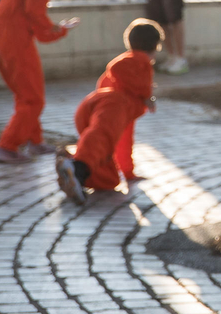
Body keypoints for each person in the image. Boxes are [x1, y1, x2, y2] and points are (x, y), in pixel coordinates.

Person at [0, 0, 79, 164]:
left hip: (4, 36)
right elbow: (34, 12)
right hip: (15, 38)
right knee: (33, 98)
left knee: (26, 93)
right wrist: (57, 29)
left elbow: (32, 15)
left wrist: (55, 30)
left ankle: (35, 141)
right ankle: (7, 146)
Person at [56, 19, 163, 204]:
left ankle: (73, 174)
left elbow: (125, 138)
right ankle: (76, 168)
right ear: (155, 47)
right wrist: (146, 94)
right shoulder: (138, 60)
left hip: (97, 110)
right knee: (101, 137)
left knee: (109, 180)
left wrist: (127, 172)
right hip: (106, 108)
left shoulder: (130, 88)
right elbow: (116, 66)